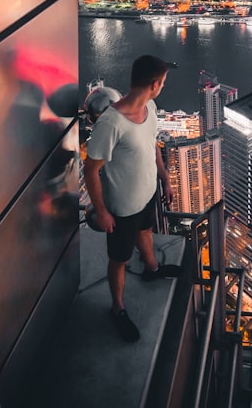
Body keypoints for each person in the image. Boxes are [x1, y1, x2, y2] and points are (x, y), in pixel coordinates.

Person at [83, 54, 179, 342]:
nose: (162, 87)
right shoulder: (111, 123)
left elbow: (153, 146)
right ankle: (118, 308)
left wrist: (164, 178)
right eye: (162, 83)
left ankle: (152, 268)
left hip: (147, 193)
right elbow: (91, 170)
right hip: (121, 207)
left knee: (147, 231)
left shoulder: (150, 107)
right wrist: (101, 211)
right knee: (119, 259)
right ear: (154, 84)